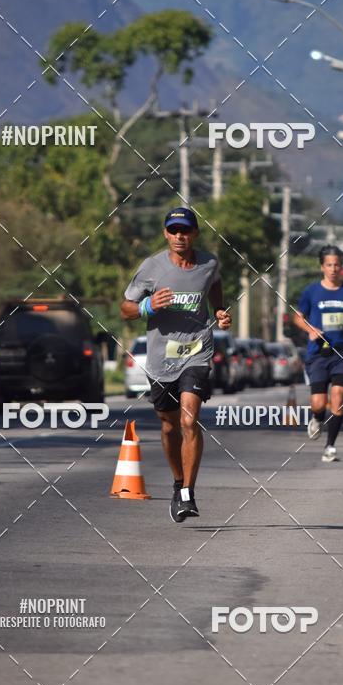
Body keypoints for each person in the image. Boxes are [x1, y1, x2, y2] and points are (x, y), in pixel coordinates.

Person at [120, 207, 231, 522]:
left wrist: (220, 310)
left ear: (194, 234)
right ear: (166, 234)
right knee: (168, 425)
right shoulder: (152, 267)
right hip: (160, 359)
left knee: (188, 420)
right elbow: (125, 308)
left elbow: (215, 284)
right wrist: (146, 305)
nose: (179, 236)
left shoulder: (209, 263)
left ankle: (187, 494)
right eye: (173, 231)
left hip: (196, 352)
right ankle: (178, 481)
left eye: (185, 231)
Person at [293, 245, 343, 463]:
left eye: (337, 265)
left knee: (338, 397)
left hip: (342, 352)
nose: (333, 269)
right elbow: (298, 317)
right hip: (318, 353)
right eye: (329, 265)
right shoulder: (311, 291)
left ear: (342, 267)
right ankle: (317, 418)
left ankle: (330, 446)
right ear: (322, 267)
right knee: (318, 402)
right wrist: (311, 330)